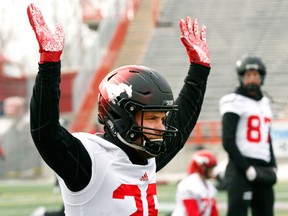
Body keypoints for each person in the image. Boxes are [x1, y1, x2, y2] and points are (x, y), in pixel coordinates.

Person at [27, 2, 211, 215]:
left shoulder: (144, 155)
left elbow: (181, 123)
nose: (162, 127)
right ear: (121, 117)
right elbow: (46, 133)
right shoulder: (90, 161)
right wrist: (49, 67)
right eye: (152, 118)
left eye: (162, 118)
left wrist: (199, 70)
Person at [219, 54, 277, 216]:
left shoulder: (264, 103)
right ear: (241, 77)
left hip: (263, 167)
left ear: (261, 77)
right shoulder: (233, 100)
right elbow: (228, 140)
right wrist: (246, 167)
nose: (252, 79)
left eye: (255, 75)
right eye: (248, 75)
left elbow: (267, 137)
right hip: (240, 168)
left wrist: (273, 164)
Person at [171, 149, 219, 216]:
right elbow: (192, 213)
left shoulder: (209, 185)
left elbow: (214, 212)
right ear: (202, 167)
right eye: (210, 168)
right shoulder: (189, 185)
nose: (212, 171)